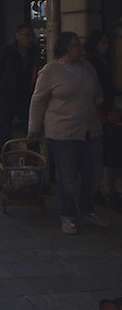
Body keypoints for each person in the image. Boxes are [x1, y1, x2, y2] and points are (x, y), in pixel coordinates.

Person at [28, 31, 107, 235]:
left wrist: (99, 98)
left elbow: (97, 89)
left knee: (94, 172)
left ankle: (87, 207)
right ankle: (68, 216)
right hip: (63, 131)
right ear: (64, 48)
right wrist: (33, 129)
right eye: (75, 46)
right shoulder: (50, 71)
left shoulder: (87, 68)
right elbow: (38, 101)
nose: (79, 49)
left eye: (79, 45)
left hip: (90, 128)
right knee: (68, 177)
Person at [0, 24, 38, 189]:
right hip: (6, 97)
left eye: (31, 35)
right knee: (4, 135)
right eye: (26, 35)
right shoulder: (5, 53)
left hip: (24, 98)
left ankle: (34, 174)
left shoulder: (34, 53)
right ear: (17, 35)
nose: (29, 39)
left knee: (32, 134)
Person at [85, 31, 122, 208]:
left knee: (108, 151)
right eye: (103, 43)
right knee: (104, 151)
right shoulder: (93, 64)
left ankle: (106, 189)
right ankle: (104, 189)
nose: (106, 46)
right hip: (99, 111)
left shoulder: (103, 61)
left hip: (106, 108)